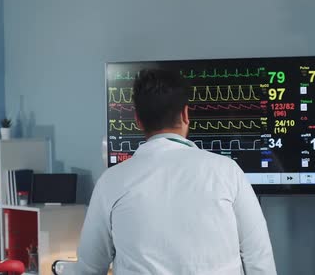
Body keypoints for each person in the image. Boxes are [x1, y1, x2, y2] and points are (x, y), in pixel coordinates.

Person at [76, 69, 276, 274]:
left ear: (137, 120)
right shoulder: (228, 172)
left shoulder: (111, 181)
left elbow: (89, 268)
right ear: (185, 114)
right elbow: (259, 258)